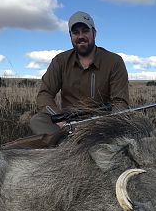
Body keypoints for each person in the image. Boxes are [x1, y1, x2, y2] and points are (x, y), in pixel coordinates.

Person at [30, 11, 129, 144]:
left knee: (127, 121)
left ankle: (67, 145)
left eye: (85, 31)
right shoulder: (60, 61)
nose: (81, 36)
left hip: (101, 123)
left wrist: (107, 123)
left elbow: (120, 103)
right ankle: (70, 144)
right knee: (38, 120)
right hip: (66, 123)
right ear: (70, 36)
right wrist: (59, 119)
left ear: (94, 33)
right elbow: (44, 94)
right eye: (76, 32)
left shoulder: (114, 61)